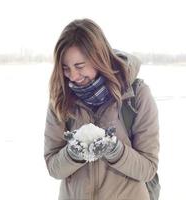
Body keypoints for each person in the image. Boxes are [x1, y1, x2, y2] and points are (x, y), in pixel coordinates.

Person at [44, 18, 159, 200]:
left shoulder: (136, 96)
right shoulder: (61, 99)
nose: (73, 76)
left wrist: (115, 151)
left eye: (79, 66)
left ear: (99, 58)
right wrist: (73, 153)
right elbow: (53, 167)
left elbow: (148, 169)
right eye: (65, 68)